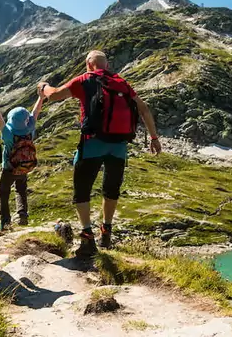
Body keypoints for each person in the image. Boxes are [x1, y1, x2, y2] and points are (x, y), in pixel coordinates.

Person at [39, 50, 162, 257]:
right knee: (111, 189)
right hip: (119, 146)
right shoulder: (121, 83)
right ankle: (106, 231)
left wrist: (43, 87)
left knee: (82, 189)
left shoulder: (85, 80)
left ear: (89, 63)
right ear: (107, 64)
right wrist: (154, 137)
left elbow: (55, 95)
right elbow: (144, 108)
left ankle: (87, 236)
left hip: (92, 143)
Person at [0, 89, 46, 230]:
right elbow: (35, 112)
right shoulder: (30, 130)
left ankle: (5, 222)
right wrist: (41, 97)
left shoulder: (8, 134)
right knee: (21, 189)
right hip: (24, 166)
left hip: (9, 168)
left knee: (3, 191)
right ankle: (22, 215)